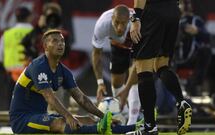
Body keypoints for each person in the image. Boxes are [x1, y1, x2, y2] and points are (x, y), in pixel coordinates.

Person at [9, 29, 142, 134]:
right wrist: (68, 116)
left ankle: (135, 128)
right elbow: (49, 97)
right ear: (45, 46)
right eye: (54, 41)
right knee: (62, 123)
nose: (60, 44)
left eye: (62, 41)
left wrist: (103, 117)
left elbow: (81, 99)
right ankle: (100, 130)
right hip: (22, 119)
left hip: (40, 115)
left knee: (88, 120)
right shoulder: (37, 66)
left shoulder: (64, 71)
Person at [125, 0, 193, 134]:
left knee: (143, 68)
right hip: (173, 11)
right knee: (161, 65)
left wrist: (136, 18)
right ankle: (181, 101)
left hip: (153, 12)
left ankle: (150, 126)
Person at [91, 4, 141, 125]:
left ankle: (132, 122)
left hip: (135, 38)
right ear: (112, 19)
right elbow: (96, 54)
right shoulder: (102, 24)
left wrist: (127, 90)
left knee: (136, 78)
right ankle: (122, 117)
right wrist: (100, 83)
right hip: (118, 45)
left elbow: (138, 63)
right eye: (116, 22)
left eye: (123, 23)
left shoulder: (139, 24)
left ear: (129, 20)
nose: (119, 27)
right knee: (116, 82)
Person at [0, 6, 33, 105]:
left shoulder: (7, 34)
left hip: (11, 77)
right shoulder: (35, 33)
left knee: (11, 108)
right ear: (29, 17)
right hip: (31, 77)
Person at [175, 0, 211, 96]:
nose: (186, 6)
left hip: (191, 59)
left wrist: (197, 31)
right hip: (173, 58)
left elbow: (207, 37)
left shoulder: (196, 20)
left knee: (206, 50)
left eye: (188, 3)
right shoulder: (174, 19)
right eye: (183, 3)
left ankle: (194, 85)